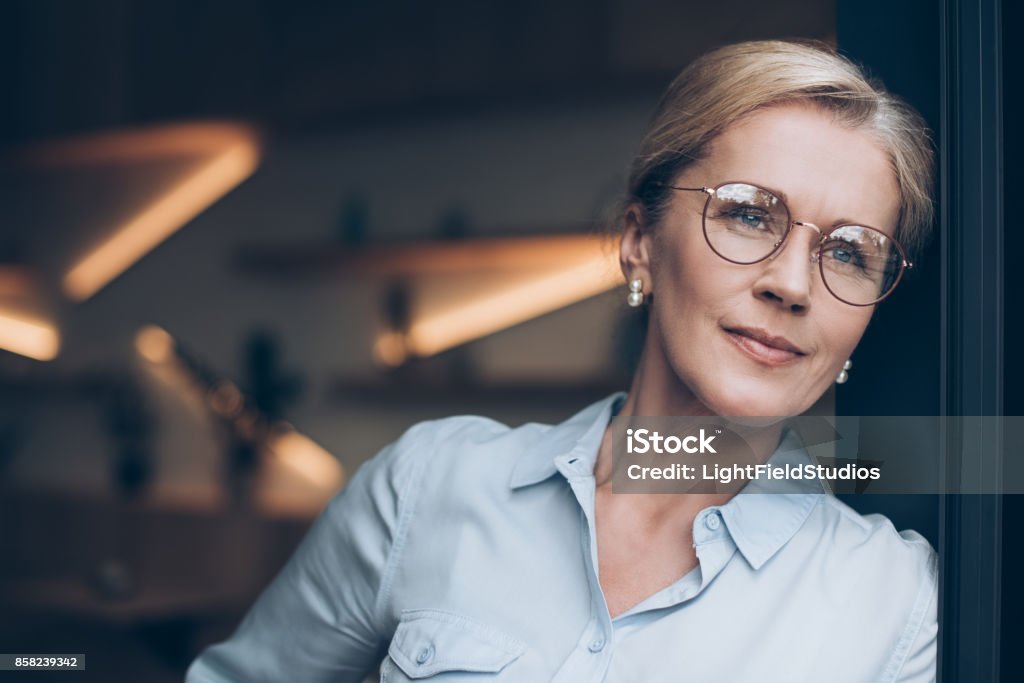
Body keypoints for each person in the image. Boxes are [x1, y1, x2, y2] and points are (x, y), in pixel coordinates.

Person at [186, 40, 937, 682]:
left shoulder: (897, 606)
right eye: (747, 213)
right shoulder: (429, 485)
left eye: (849, 253)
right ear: (640, 240)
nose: (793, 283)